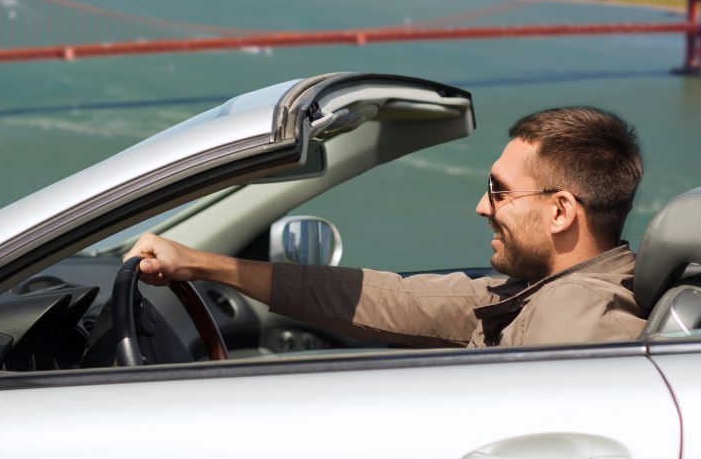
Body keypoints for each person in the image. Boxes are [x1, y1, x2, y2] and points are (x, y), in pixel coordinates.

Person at [124, 106, 646, 348]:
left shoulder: (581, 324)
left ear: (559, 212)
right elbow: (392, 299)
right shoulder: (537, 293)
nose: (482, 208)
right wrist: (201, 264)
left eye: (499, 191)